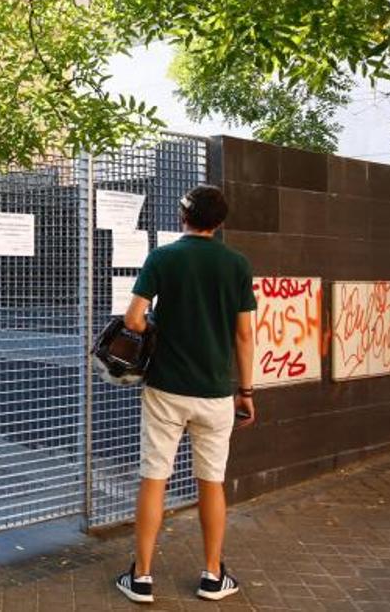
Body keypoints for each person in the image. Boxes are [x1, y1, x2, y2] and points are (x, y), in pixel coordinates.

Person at [115, 185, 257, 604]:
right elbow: (244, 333)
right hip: (215, 393)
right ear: (221, 222)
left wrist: (158, 325)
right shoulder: (236, 264)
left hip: (165, 389)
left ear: (183, 217)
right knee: (212, 482)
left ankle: (141, 577)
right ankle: (213, 575)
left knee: (154, 478)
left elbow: (133, 320)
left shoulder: (162, 258)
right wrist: (245, 390)